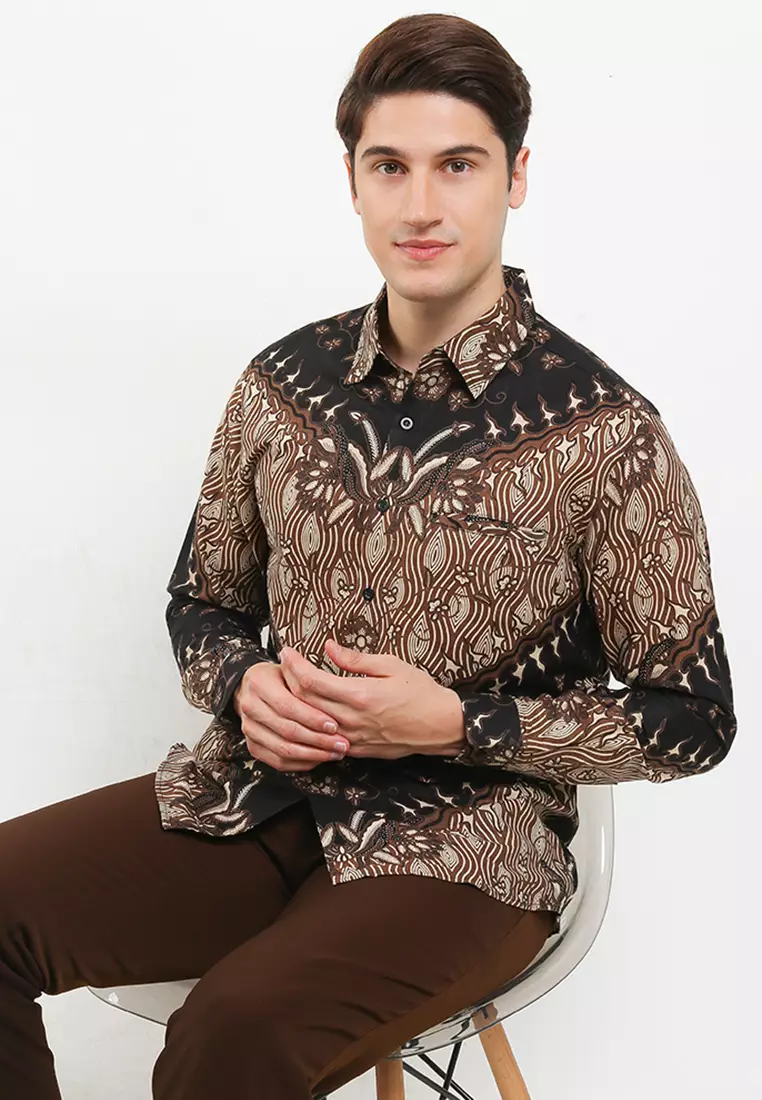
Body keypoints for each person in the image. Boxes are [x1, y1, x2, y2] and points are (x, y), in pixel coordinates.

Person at [0, 12, 736, 1099]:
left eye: (458, 165)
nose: (420, 204)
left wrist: (460, 722)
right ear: (352, 179)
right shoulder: (281, 385)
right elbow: (203, 599)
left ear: (516, 176)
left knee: (233, 1031)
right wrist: (242, 682)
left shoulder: (606, 432)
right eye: (390, 165)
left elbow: (693, 718)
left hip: (469, 851)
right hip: (255, 800)